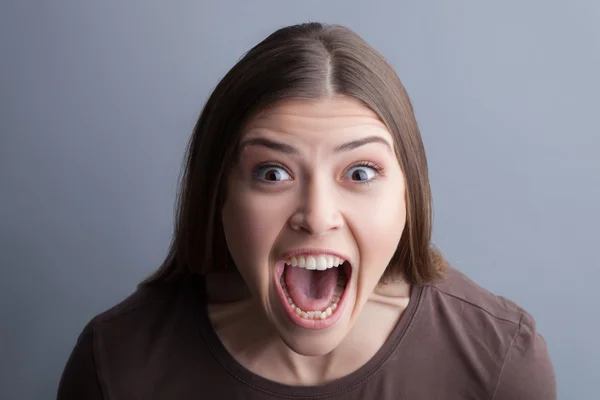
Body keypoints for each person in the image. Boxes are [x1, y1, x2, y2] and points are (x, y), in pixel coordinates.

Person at [57, 22, 556, 399]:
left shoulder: (499, 362)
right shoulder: (115, 364)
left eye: (359, 173)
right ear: (219, 195)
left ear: (409, 196)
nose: (317, 217)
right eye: (273, 173)